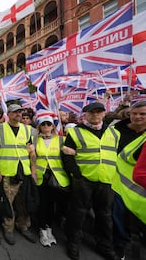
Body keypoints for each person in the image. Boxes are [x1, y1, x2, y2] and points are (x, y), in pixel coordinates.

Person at [62, 102, 120, 260]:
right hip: (84, 181)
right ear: (85, 114)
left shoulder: (114, 133)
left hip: (107, 181)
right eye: (91, 112)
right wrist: (77, 176)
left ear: (104, 114)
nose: (95, 115)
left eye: (98, 112)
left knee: (105, 216)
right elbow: (67, 157)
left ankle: (105, 245)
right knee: (78, 214)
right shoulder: (75, 132)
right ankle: (73, 243)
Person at [0, 104, 37, 245]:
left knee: (24, 202)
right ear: (9, 114)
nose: (19, 114)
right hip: (8, 171)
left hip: (24, 171)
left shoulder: (27, 129)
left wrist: (34, 171)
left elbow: (31, 152)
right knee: (8, 203)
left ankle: (23, 226)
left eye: (20, 112)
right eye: (16, 112)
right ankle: (9, 228)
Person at [111, 100, 146, 259]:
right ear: (129, 114)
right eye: (134, 113)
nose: (138, 117)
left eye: (142, 114)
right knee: (119, 221)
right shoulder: (115, 129)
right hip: (116, 185)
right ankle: (121, 248)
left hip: (139, 193)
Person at [32, 115, 70, 247]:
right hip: (41, 176)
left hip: (57, 177)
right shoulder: (35, 140)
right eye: (43, 124)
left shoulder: (61, 140)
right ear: (39, 127)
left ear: (53, 126)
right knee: (43, 204)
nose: (46, 127)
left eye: (49, 124)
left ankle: (49, 228)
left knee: (54, 205)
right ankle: (43, 229)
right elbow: (32, 158)